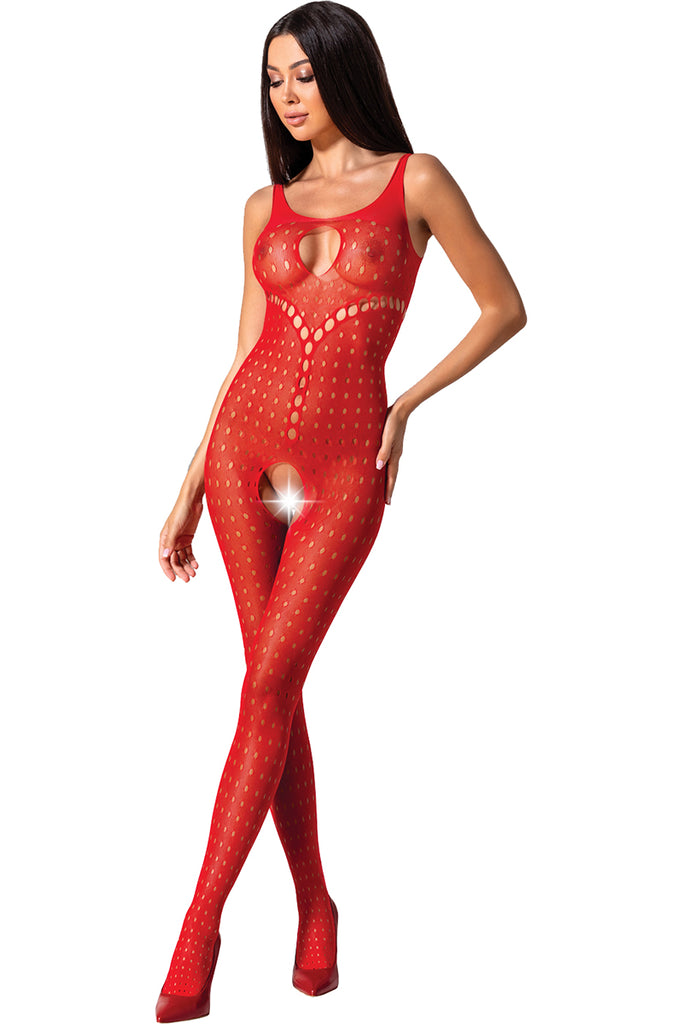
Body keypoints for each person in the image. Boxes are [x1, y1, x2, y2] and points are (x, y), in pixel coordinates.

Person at [155, 2, 527, 1020]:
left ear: (344, 71)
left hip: (344, 465)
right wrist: (186, 486)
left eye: (303, 75)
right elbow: (242, 354)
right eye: (272, 78)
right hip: (241, 457)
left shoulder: (417, 180)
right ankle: (314, 906)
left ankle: (198, 925)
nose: (286, 95)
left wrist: (405, 406)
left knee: (270, 680)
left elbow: (504, 307)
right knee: (269, 687)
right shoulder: (262, 206)